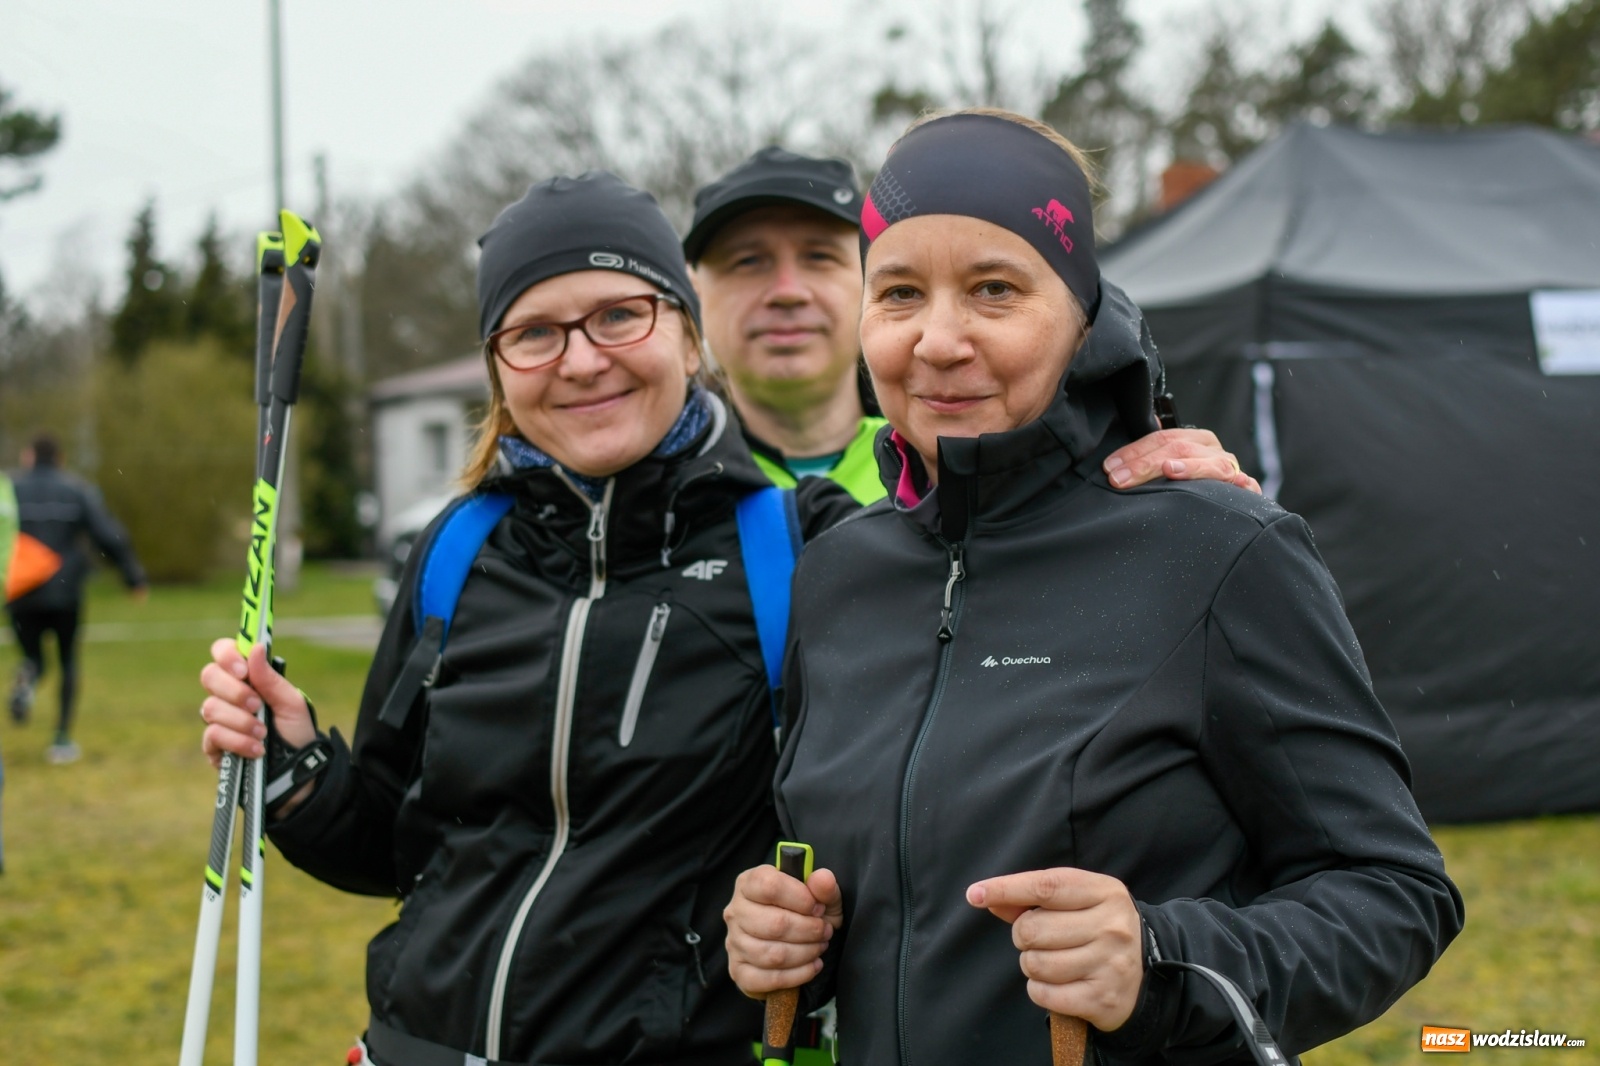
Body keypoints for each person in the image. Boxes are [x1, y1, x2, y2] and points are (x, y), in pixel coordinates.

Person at [196, 174, 1255, 1065]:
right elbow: (400, 848)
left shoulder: (806, 545)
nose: (581, 359)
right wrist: (295, 769)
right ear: (497, 367)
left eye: (619, 314)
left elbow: (999, 550)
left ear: (686, 332)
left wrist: (1127, 480)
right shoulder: (457, 550)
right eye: (534, 333)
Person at [724, 110, 1464, 1065]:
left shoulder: (1218, 551)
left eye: (994, 289)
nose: (938, 341)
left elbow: (1396, 894)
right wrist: (795, 944)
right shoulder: (839, 574)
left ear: (1080, 316)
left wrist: (1160, 960)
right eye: (900, 292)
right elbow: (885, 900)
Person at [684, 146, 1261, 504]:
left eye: (817, 256)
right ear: (693, 291)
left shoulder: (1146, 490)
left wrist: (1188, 513)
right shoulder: (651, 493)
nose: (787, 291)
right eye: (747, 261)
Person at [7, 434, 147, 764]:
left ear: (28, 456)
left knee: (33, 657)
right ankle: (61, 740)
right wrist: (133, 575)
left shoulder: (10, 491)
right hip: (64, 591)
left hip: (21, 591)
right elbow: (107, 533)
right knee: (68, 661)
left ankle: (28, 675)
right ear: (60, 458)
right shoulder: (75, 490)